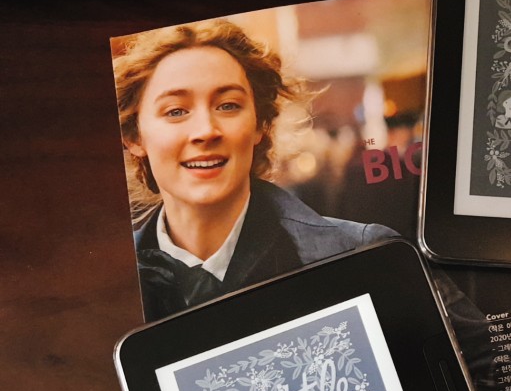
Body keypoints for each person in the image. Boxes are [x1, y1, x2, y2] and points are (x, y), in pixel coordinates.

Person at [114, 21, 396, 321]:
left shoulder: (364, 256)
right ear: (134, 136)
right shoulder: (105, 291)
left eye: (228, 106)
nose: (206, 131)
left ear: (260, 124)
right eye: (176, 111)